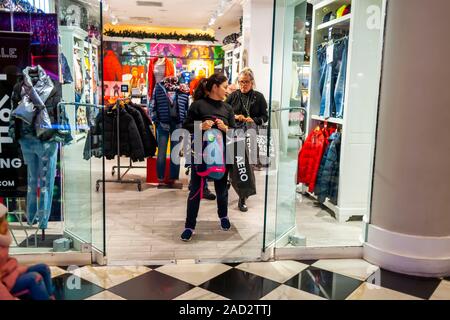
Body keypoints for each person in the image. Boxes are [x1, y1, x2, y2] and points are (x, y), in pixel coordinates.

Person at [181, 74, 235, 242]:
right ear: (214, 87)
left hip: (222, 155)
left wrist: (226, 128)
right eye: (225, 86)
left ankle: (223, 217)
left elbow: (235, 133)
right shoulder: (198, 106)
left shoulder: (228, 109)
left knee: (221, 189)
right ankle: (189, 226)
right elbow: (185, 126)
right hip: (200, 155)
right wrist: (200, 126)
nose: (227, 90)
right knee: (196, 190)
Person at [226, 68, 269, 212]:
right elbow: (224, 112)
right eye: (241, 82)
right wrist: (235, 116)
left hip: (250, 133)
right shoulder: (233, 96)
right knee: (231, 163)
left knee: (246, 167)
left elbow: (265, 117)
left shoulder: (259, 97)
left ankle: (242, 197)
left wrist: (254, 119)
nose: (243, 85)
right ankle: (226, 187)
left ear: (252, 82)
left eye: (246, 82)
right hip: (234, 133)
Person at [0, 204, 55, 300]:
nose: (7, 222)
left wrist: (17, 270)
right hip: (6, 282)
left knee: (44, 268)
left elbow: (6, 262)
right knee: (35, 278)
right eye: (3, 219)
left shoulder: (4, 238)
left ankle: (50, 296)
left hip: (12, 272)